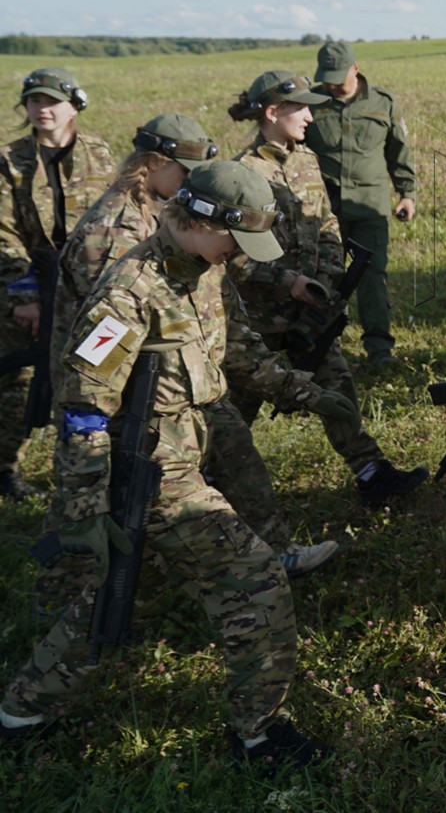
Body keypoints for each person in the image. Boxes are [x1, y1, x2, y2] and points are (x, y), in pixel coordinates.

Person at [0, 160, 329, 765]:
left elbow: (235, 351)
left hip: (185, 457)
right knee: (259, 584)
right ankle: (259, 734)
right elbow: (83, 409)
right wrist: (83, 509)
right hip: (152, 478)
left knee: (121, 597)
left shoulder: (205, 270)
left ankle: (21, 711)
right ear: (202, 220)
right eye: (236, 239)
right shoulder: (128, 293)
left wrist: (302, 391)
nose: (238, 254)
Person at [45, 114, 342, 585]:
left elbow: (233, 339)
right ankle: (76, 589)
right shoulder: (123, 253)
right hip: (131, 405)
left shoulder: (196, 253)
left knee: (236, 451)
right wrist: (85, 493)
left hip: (185, 388)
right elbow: (89, 382)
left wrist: (299, 391)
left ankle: (274, 550)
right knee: (102, 538)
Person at [226, 70, 425, 508]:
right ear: (272, 112)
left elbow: (327, 222)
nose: (311, 118)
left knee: (338, 389)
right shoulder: (242, 173)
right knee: (235, 412)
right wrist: (289, 282)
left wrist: (331, 274)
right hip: (262, 321)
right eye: (300, 109)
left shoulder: (305, 160)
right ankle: (205, 483)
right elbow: (235, 255)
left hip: (311, 313)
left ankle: (372, 473)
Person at [0, 67, 114, 500]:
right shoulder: (9, 160)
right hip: (27, 281)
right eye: (34, 101)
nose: (42, 109)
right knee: (20, 379)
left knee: (94, 373)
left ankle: (88, 465)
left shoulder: (98, 155)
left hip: (87, 286)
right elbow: (3, 232)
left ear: (74, 106)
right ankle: (4, 467)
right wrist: (23, 295)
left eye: (51, 101)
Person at [304, 40, 418, 369]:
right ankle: (323, 345)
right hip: (323, 210)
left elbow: (399, 154)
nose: (331, 84)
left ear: (355, 68)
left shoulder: (383, 104)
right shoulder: (311, 103)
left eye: (337, 77)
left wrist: (407, 193)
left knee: (373, 277)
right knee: (324, 278)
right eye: (326, 77)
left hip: (370, 207)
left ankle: (379, 348)